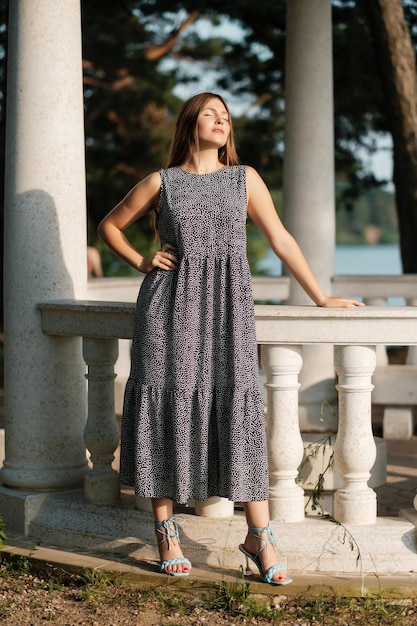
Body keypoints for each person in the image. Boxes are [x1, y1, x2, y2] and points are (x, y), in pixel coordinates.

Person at [97, 92, 363, 585]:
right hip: (167, 309)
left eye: (226, 117)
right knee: (166, 404)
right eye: (210, 114)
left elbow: (281, 238)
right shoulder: (162, 182)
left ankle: (257, 536)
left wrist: (320, 296)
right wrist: (141, 260)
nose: (221, 122)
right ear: (189, 123)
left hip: (227, 311)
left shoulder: (244, 179)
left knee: (238, 406)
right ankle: (166, 530)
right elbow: (110, 225)